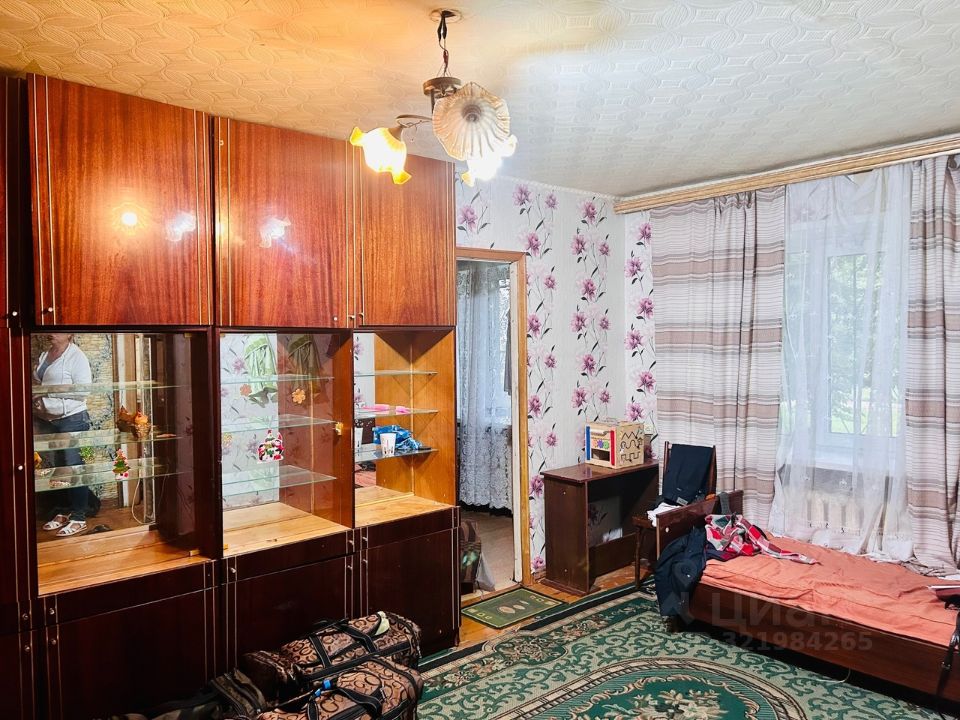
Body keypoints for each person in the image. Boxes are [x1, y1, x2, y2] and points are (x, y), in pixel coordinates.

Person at [33, 334, 100, 537]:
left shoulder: (77, 356)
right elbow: (38, 384)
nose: (51, 332)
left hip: (73, 419)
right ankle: (63, 511)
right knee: (59, 470)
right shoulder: (45, 354)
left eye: (57, 330)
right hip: (48, 420)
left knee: (75, 467)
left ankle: (79, 517)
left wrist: (48, 393)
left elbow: (83, 391)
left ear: (69, 334)